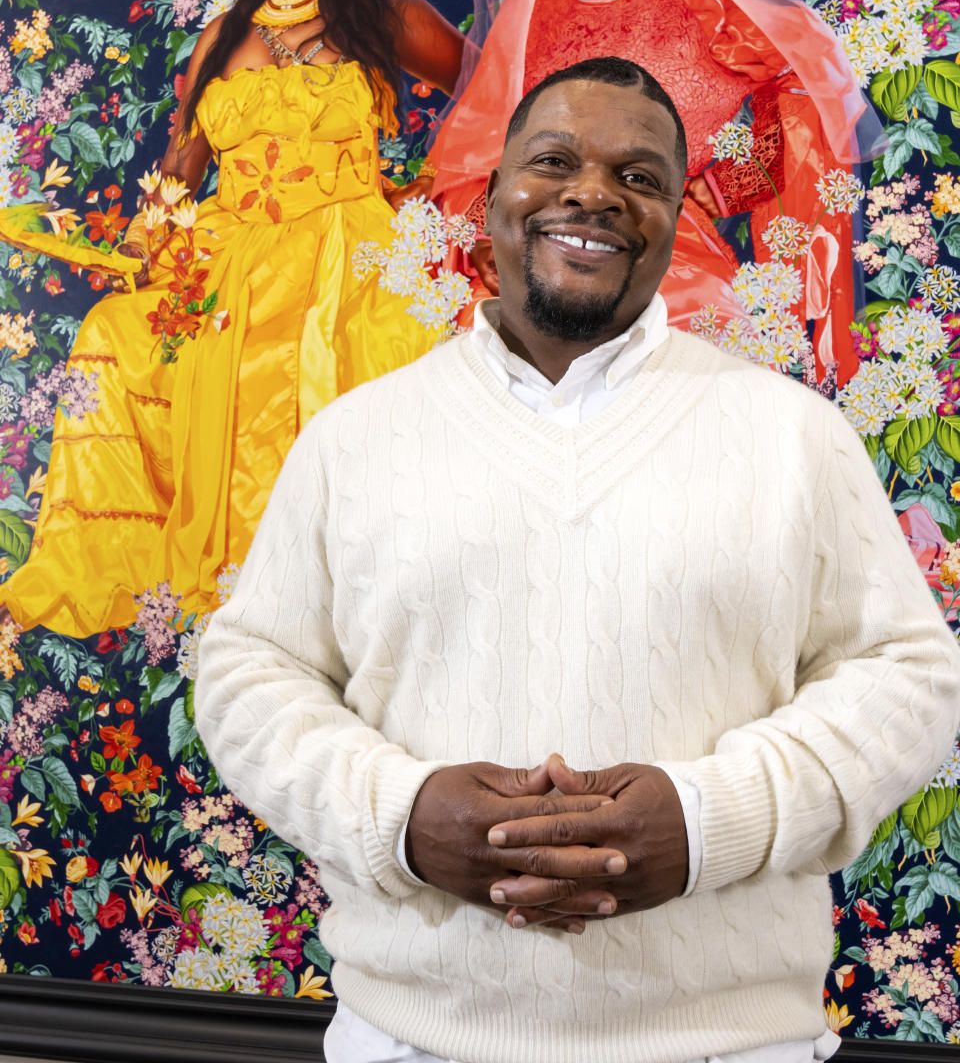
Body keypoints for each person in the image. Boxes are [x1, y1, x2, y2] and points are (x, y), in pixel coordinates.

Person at [195, 55, 960, 1063]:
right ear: (494, 193)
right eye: (553, 160)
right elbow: (250, 676)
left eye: (639, 177)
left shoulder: (794, 436)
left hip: (730, 1048)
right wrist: (403, 815)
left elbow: (907, 679)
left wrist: (705, 824)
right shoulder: (355, 437)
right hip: (407, 1041)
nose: (592, 193)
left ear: (675, 217)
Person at [0, 0, 464, 637]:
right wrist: (152, 248)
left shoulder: (385, 16)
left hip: (347, 252)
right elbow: (182, 161)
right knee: (116, 334)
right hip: (231, 258)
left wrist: (444, 200)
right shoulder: (227, 34)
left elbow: (490, 97)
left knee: (392, 363)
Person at [426, 0, 884, 387]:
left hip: (666, 246)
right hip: (544, 245)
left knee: (695, 367)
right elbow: (477, 151)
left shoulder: (699, 0)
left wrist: (733, 180)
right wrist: (489, 240)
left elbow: (806, 83)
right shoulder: (528, 25)